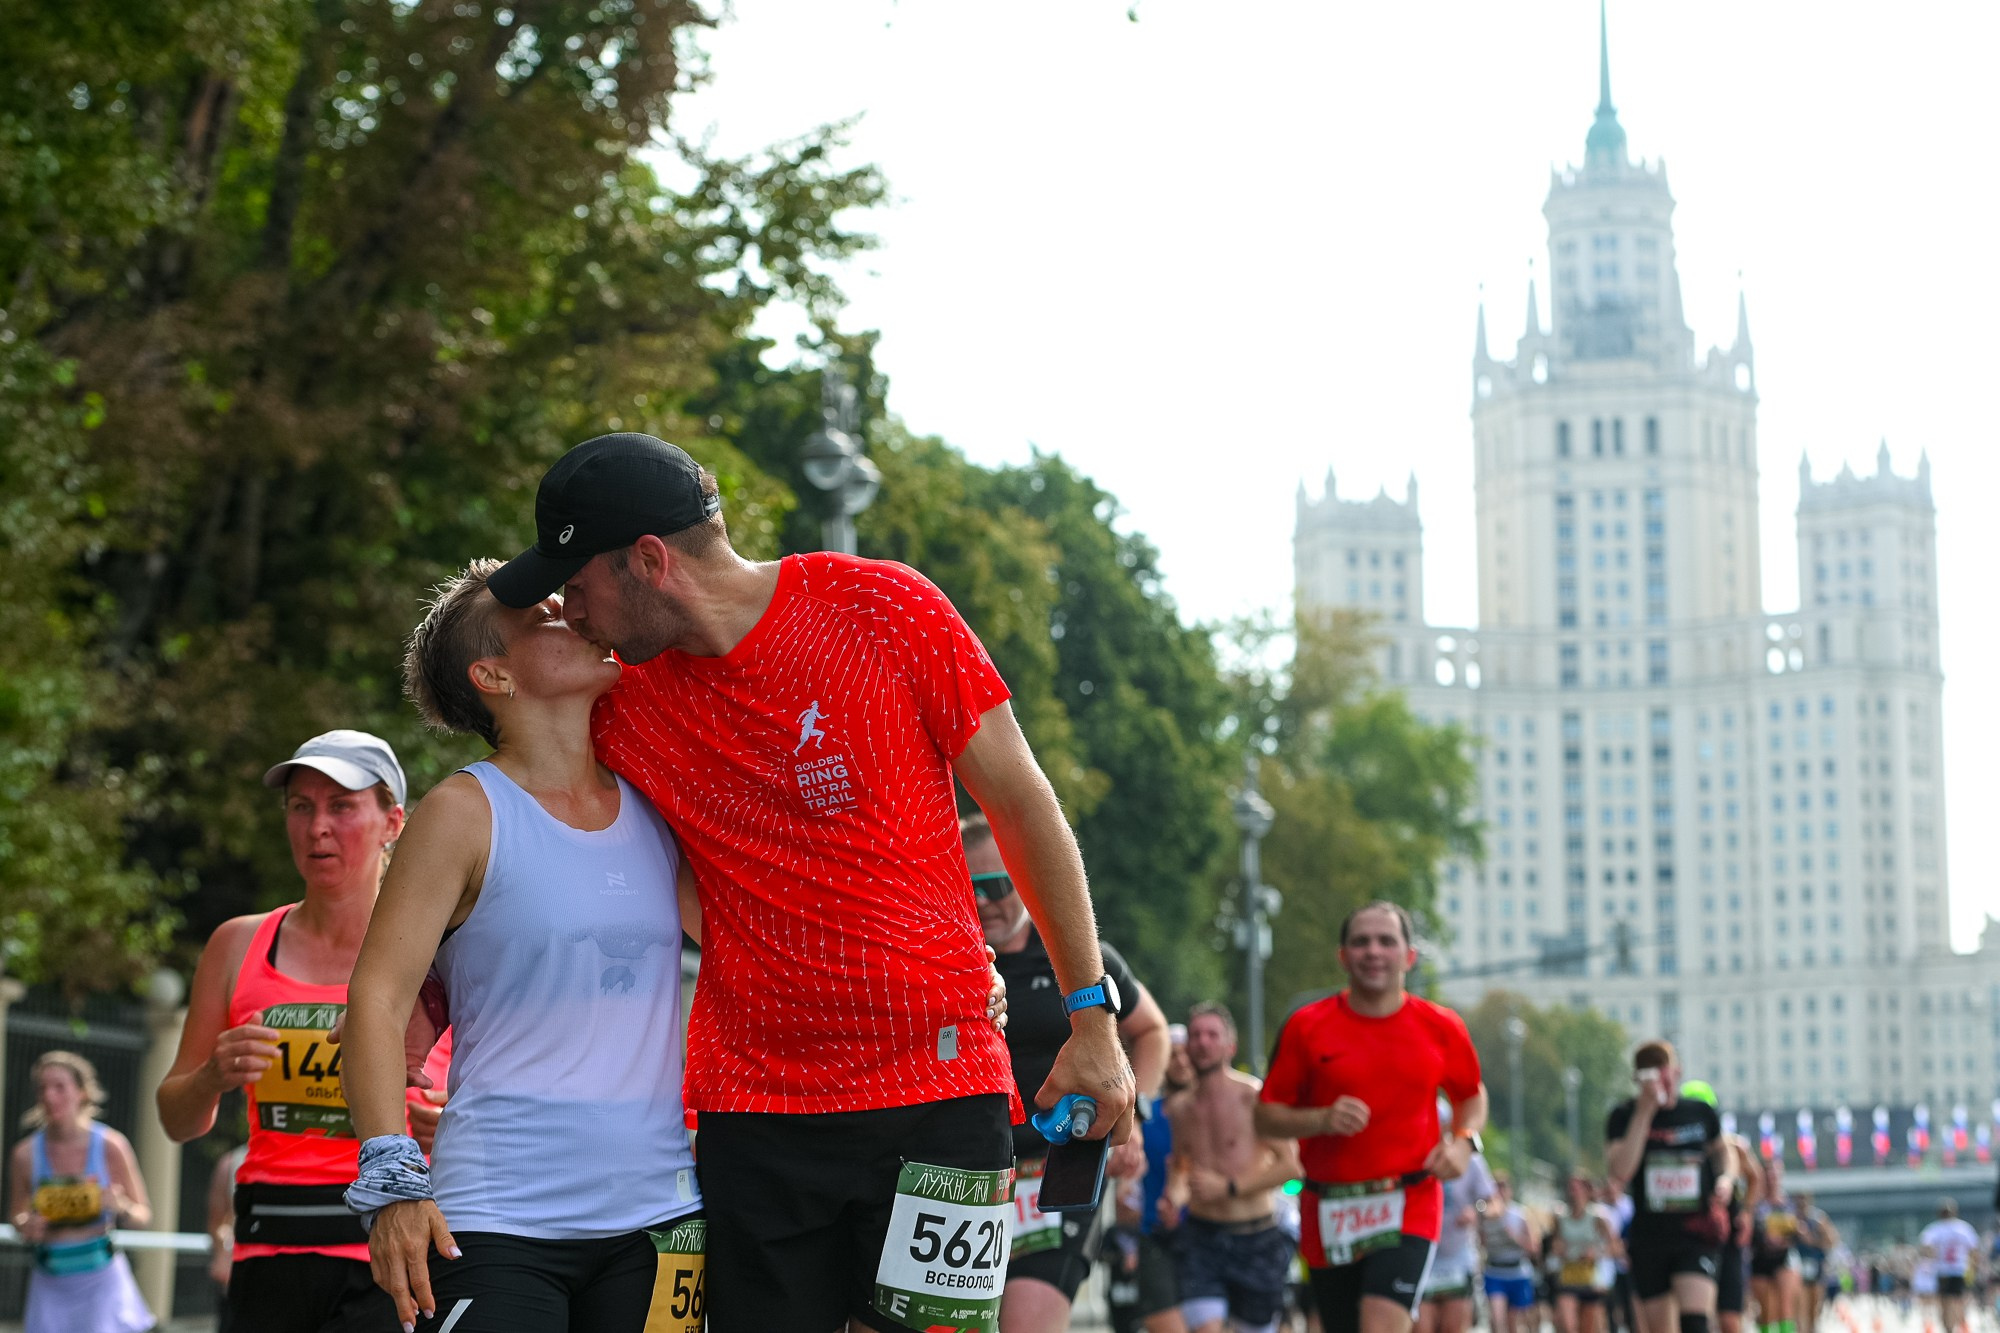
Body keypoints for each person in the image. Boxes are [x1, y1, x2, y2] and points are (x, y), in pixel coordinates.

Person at [489, 432, 1135, 1333]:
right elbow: (585, 848)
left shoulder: (886, 606)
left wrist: (1091, 1016)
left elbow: (1024, 805)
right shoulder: (614, 699)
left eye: (576, 576)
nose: (566, 603)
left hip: (940, 1089)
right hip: (757, 1109)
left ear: (648, 560)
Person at [340, 561, 707, 1332]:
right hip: (498, 1218)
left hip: (659, 1219)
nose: (575, 613)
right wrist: (394, 1182)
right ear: (493, 674)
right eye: (544, 616)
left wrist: (946, 964)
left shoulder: (653, 803)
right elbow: (376, 999)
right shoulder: (462, 812)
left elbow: (762, 936)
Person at [156, 729, 415, 1333]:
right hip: (267, 1251)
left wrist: (446, 1118)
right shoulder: (237, 944)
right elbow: (176, 1119)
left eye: (342, 806)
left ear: (393, 822)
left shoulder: (435, 951)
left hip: (393, 1251)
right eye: (301, 806)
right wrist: (212, 1076)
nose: (316, 826)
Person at [970, 810, 1171, 1333]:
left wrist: (1137, 1115)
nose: (986, 900)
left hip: (1059, 1170)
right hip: (967, 1172)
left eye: (997, 884)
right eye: (970, 886)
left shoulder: (1077, 958)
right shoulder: (948, 958)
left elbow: (1151, 1031)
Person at [1253, 901, 1489, 1333]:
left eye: (1386, 941)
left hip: (1409, 1200)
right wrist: (1321, 1119)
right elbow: (1266, 1118)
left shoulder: (1441, 1027)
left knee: (1382, 1324)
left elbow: (1471, 1096)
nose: (1373, 951)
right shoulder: (1307, 1026)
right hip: (1330, 1207)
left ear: (1409, 956)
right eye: (1361, 942)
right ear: (1342, 956)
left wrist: (1463, 1140)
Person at [1164, 1003, 1305, 1333]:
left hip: (1256, 1238)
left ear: (1230, 1045)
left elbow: (1291, 1166)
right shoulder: (1180, 1108)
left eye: (1212, 1035)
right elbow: (1182, 1164)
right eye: (1196, 1035)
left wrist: (1229, 1187)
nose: (1202, 1042)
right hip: (1201, 1238)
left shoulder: (1254, 1097)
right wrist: (1174, 1195)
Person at [6, 1051, 155, 1333]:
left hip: (102, 1282)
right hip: (49, 1281)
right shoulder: (24, 1154)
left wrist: (121, 1206)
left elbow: (143, 1215)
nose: (50, 1096)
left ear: (83, 1093)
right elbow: (16, 1214)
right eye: (42, 1088)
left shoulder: (111, 1146)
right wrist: (26, 1224)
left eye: (59, 1087)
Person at [1604, 1044, 1736, 1333]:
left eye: (1664, 1072)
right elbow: (1620, 1171)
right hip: (1650, 1238)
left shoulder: (1699, 1112)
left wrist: (1725, 1179)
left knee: (1695, 1322)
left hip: (1695, 1233)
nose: (1660, 1082)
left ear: (1677, 1072)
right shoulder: (1624, 1116)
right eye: (1649, 1075)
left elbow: (1724, 1152)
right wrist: (1644, 1112)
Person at [1415, 1129, 1492, 1333]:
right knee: (1422, 1328)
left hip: (1457, 1258)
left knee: (1453, 1327)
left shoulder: (1470, 1160)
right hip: (1422, 1256)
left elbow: (1494, 1203)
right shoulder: (1413, 1157)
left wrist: (1476, 1212)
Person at [1552, 1173, 1621, 1333]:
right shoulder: (1560, 1216)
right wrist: (1558, 1249)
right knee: (1568, 1326)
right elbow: (1555, 1244)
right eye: (1571, 1187)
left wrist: (1595, 1252)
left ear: (1587, 1190)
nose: (1573, 1191)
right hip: (1568, 1275)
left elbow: (1616, 1248)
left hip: (1590, 1277)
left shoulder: (1598, 1216)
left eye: (1577, 1187)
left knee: (1588, 1328)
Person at [1746, 1158, 1800, 1333]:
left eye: (1775, 1175)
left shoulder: (1789, 1203)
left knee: (1785, 1305)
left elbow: (1795, 1233)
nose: (1771, 1178)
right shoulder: (1755, 1202)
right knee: (1767, 1309)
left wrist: (1789, 1236)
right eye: (1768, 1175)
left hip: (1783, 1257)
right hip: (1760, 1258)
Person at [1480, 1174, 1539, 1333]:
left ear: (1509, 1191)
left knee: (1513, 1323)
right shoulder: (1484, 1215)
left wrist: (1513, 1237)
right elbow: (1481, 1243)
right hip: (1495, 1272)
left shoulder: (1520, 1214)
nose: (1499, 1192)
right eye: (1496, 1188)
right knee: (1496, 1318)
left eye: (1503, 1187)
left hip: (1517, 1272)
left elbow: (1534, 1247)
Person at [1919, 1198, 1979, 1333]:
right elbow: (1974, 1250)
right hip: (1959, 1270)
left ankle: (1949, 1327)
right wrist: (1973, 1266)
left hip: (1943, 1270)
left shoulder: (1935, 1229)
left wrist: (1932, 1256)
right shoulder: (1964, 1228)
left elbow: (1925, 1247)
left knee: (1945, 1302)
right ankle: (1957, 1324)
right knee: (1957, 1300)